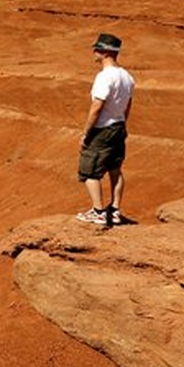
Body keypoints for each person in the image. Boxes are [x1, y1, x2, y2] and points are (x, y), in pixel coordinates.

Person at [77, 33, 135, 224]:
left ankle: (98, 211)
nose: (94, 52)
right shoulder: (127, 77)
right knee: (115, 169)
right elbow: (128, 106)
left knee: (89, 172)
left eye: (97, 49)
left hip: (103, 129)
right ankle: (115, 210)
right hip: (118, 126)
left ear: (105, 52)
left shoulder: (104, 77)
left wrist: (86, 132)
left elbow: (96, 107)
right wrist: (122, 125)